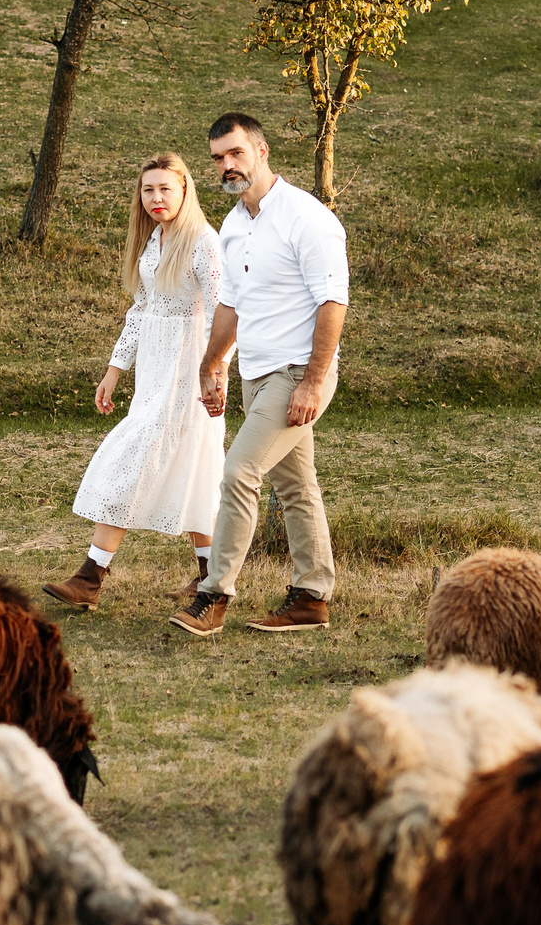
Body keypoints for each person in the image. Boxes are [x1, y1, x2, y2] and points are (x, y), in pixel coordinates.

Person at [169, 112, 348, 637]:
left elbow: (333, 303)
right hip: (257, 373)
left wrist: (314, 381)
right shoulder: (235, 224)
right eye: (218, 158)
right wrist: (211, 363)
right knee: (296, 486)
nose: (227, 166)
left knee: (238, 474)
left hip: (298, 372)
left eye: (236, 154)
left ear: (262, 152)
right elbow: (231, 304)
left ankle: (213, 596)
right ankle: (312, 597)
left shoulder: (307, 218)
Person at [42, 153, 228, 611]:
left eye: (165, 188)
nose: (156, 198)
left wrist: (214, 371)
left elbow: (226, 312)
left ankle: (90, 576)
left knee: (134, 461)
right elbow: (141, 312)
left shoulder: (203, 241)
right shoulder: (153, 243)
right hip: (154, 372)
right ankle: (210, 575)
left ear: (185, 190)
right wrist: (114, 371)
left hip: (191, 373)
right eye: (148, 190)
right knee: (192, 467)